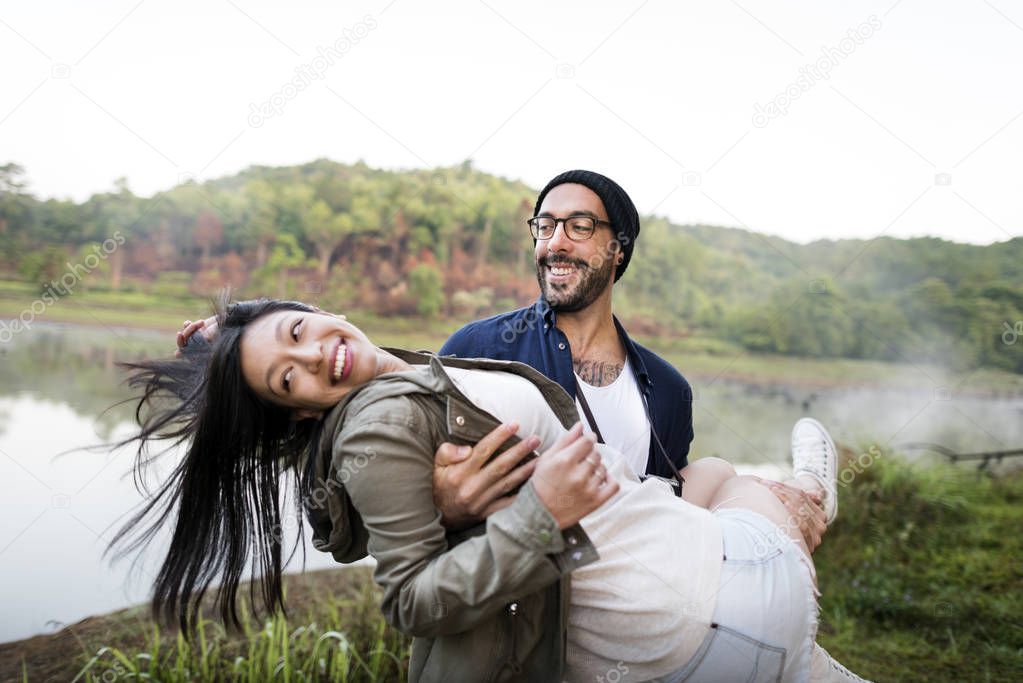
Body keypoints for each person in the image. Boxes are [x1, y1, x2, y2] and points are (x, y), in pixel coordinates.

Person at [128, 298, 867, 682]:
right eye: (289, 376)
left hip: (680, 645)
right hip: (706, 608)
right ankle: (806, 491)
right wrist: (541, 513)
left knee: (702, 479)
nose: (317, 352)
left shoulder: (412, 377)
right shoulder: (378, 420)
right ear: (295, 410)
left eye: (297, 328)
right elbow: (409, 597)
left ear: (313, 306)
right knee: (740, 481)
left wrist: (225, 330)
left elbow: (359, 505)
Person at [429, 169, 830, 550]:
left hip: (634, 593)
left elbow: (671, 514)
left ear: (617, 248)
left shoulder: (669, 391)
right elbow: (411, 491)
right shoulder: (477, 349)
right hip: (523, 600)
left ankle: (803, 493)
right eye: (545, 226)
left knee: (721, 477)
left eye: (580, 226)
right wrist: (446, 505)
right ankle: (810, 489)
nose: (556, 244)